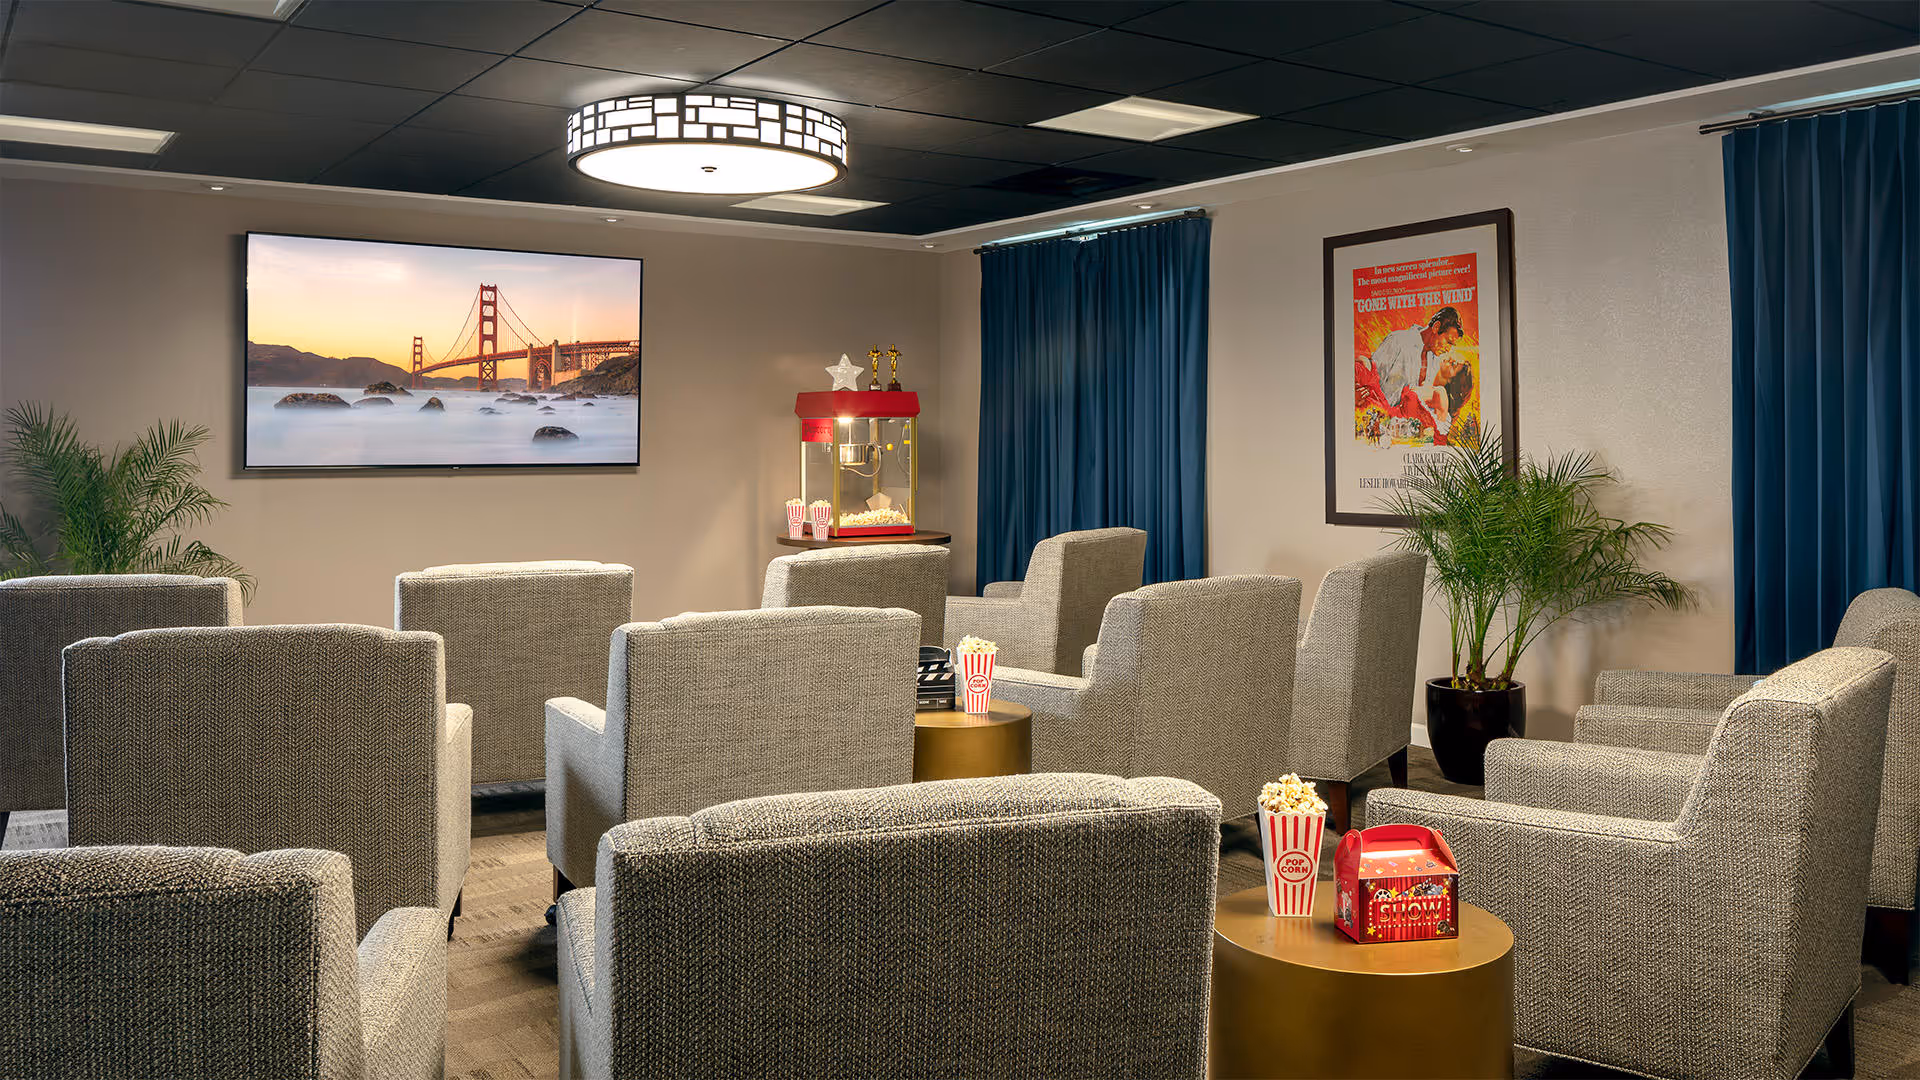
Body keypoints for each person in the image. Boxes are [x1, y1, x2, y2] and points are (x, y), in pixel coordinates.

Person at [1355, 306, 1468, 437]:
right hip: (1378, 422)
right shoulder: (1398, 341)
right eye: (1448, 342)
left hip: (1403, 431)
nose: (1448, 349)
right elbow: (1369, 376)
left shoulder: (1435, 359)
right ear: (1436, 327)